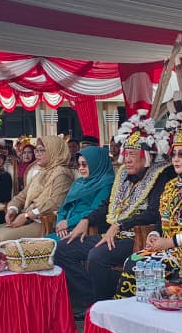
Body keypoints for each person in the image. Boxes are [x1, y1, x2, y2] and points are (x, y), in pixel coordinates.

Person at [59, 115, 173, 315]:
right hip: (112, 234)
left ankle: (105, 308)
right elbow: (107, 206)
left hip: (137, 237)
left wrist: (121, 224)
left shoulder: (160, 176)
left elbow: (153, 214)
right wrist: (87, 220)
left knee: (96, 256)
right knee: (63, 249)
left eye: (132, 154)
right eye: (125, 154)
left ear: (146, 156)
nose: (126, 159)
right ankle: (89, 299)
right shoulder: (124, 176)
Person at [116, 114, 182, 297]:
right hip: (165, 246)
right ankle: (136, 308)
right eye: (173, 154)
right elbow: (162, 217)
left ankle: (149, 305)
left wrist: (171, 242)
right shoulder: (171, 185)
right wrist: (154, 235)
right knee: (132, 260)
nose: (175, 159)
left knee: (138, 264)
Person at [0, 135, 74, 243]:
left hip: (45, 222)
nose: (37, 154)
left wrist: (27, 215)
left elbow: (55, 204)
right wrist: (13, 209)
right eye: (36, 151)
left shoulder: (62, 174)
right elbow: (21, 196)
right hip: (27, 219)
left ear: (53, 151)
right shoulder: (42, 172)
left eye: (41, 151)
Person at [54, 145, 115, 238]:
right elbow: (64, 207)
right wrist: (60, 224)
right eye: (79, 165)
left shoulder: (106, 184)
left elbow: (95, 211)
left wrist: (68, 223)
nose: (81, 168)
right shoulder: (79, 182)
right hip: (65, 229)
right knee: (38, 243)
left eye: (84, 164)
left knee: (45, 245)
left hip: (84, 231)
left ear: (96, 164)